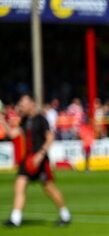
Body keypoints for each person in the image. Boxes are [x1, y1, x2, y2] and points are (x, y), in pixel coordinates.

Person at [1, 95, 72, 228]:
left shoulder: (41, 119)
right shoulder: (25, 120)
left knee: (48, 188)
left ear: (32, 104)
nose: (21, 105)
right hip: (27, 159)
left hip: (40, 159)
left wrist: (41, 153)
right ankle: (15, 218)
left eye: (23, 102)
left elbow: (50, 137)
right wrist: (1, 119)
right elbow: (12, 134)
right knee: (19, 185)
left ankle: (65, 215)